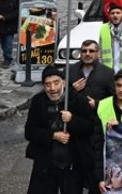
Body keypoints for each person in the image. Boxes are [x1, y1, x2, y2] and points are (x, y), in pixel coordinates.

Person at [24, 65, 99, 194]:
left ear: (63, 82)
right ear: (43, 86)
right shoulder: (38, 102)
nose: (52, 88)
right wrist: (52, 135)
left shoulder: (78, 100)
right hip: (46, 164)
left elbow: (91, 126)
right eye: (48, 84)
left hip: (72, 164)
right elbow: (29, 131)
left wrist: (72, 120)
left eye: (56, 83)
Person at [65, 40, 115, 109]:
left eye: (91, 51)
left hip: (97, 116)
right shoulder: (69, 70)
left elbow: (114, 99)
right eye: (84, 51)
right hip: (74, 116)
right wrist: (72, 89)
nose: (87, 54)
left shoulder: (108, 73)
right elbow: (60, 94)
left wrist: (97, 104)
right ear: (80, 53)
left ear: (98, 53)